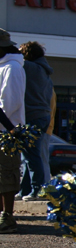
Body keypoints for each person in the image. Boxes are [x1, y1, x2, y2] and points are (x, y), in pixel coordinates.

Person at [18, 41, 53, 201]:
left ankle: (36, 189)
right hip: (43, 115)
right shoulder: (44, 71)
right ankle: (26, 189)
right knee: (30, 154)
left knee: (31, 155)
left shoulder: (28, 67)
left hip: (32, 115)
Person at [0, 28, 25, 234]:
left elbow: (11, 102)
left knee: (7, 173)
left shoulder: (12, 68)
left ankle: (7, 216)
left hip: (8, 132)